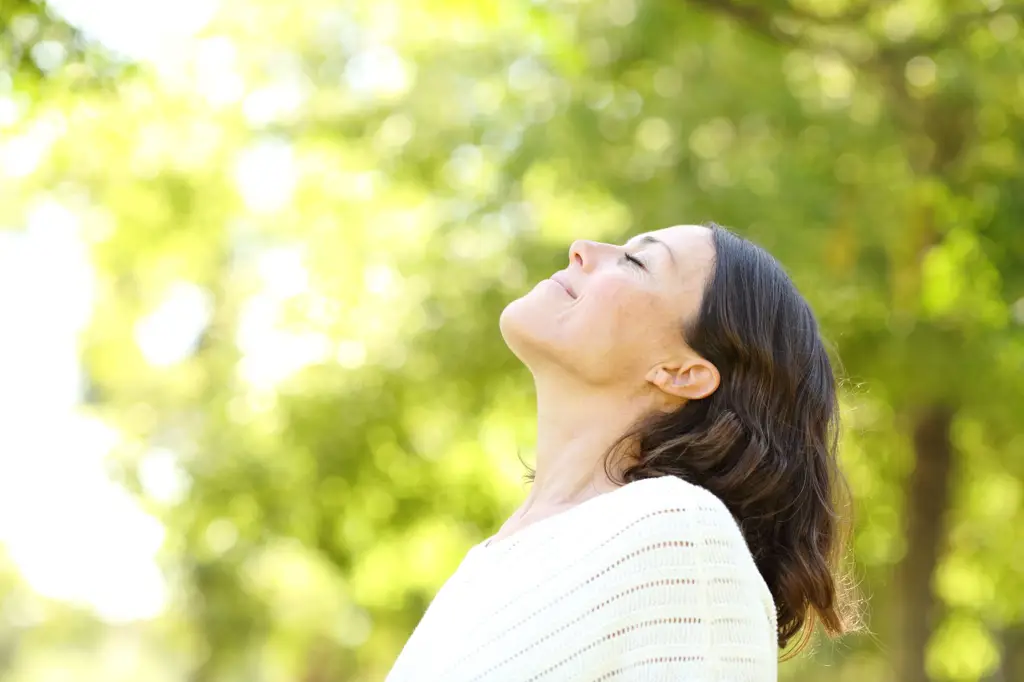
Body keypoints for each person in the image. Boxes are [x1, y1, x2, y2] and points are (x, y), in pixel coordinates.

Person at [384, 222, 857, 682]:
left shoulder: (679, 534)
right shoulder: (486, 563)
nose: (581, 248)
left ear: (680, 372)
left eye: (635, 261)